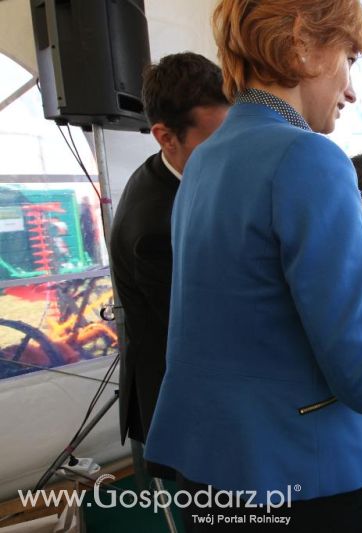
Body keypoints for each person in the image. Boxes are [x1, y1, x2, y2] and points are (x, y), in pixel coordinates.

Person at [143, 2, 362, 531]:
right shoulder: (310, 158)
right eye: (349, 58)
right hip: (292, 479)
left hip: (206, 465)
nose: (351, 90)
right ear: (302, 43)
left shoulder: (204, 159)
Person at [110, 52, 229, 454]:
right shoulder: (155, 229)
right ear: (165, 136)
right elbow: (208, 333)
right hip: (181, 399)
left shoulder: (172, 169)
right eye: (215, 144)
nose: (230, 156)